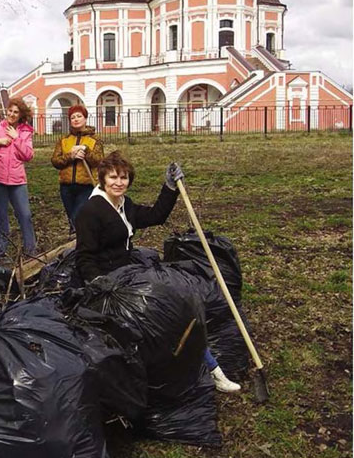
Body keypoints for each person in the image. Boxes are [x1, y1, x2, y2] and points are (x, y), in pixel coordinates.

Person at [74, 150, 240, 393]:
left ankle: (213, 370)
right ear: (102, 179)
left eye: (124, 177)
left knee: (178, 306)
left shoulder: (123, 204)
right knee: (160, 318)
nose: (119, 183)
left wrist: (169, 187)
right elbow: (84, 256)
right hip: (108, 284)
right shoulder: (91, 211)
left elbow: (156, 215)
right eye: (113, 178)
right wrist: (98, 282)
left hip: (129, 273)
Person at [0, 98, 36, 260]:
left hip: (18, 181)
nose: (12, 114)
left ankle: (31, 252)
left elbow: (28, 155)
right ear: (6, 111)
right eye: (10, 111)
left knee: (25, 215)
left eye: (16, 112)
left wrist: (17, 138)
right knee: (1, 217)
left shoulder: (25, 132)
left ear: (20, 115)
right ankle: (2, 252)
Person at [51, 104, 104, 235]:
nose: (76, 119)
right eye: (73, 117)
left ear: (85, 119)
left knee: (76, 218)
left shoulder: (94, 140)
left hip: (86, 186)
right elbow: (55, 161)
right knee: (73, 220)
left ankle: (78, 242)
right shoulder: (64, 140)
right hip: (66, 186)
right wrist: (71, 156)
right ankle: (81, 244)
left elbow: (99, 161)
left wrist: (85, 151)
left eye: (79, 116)